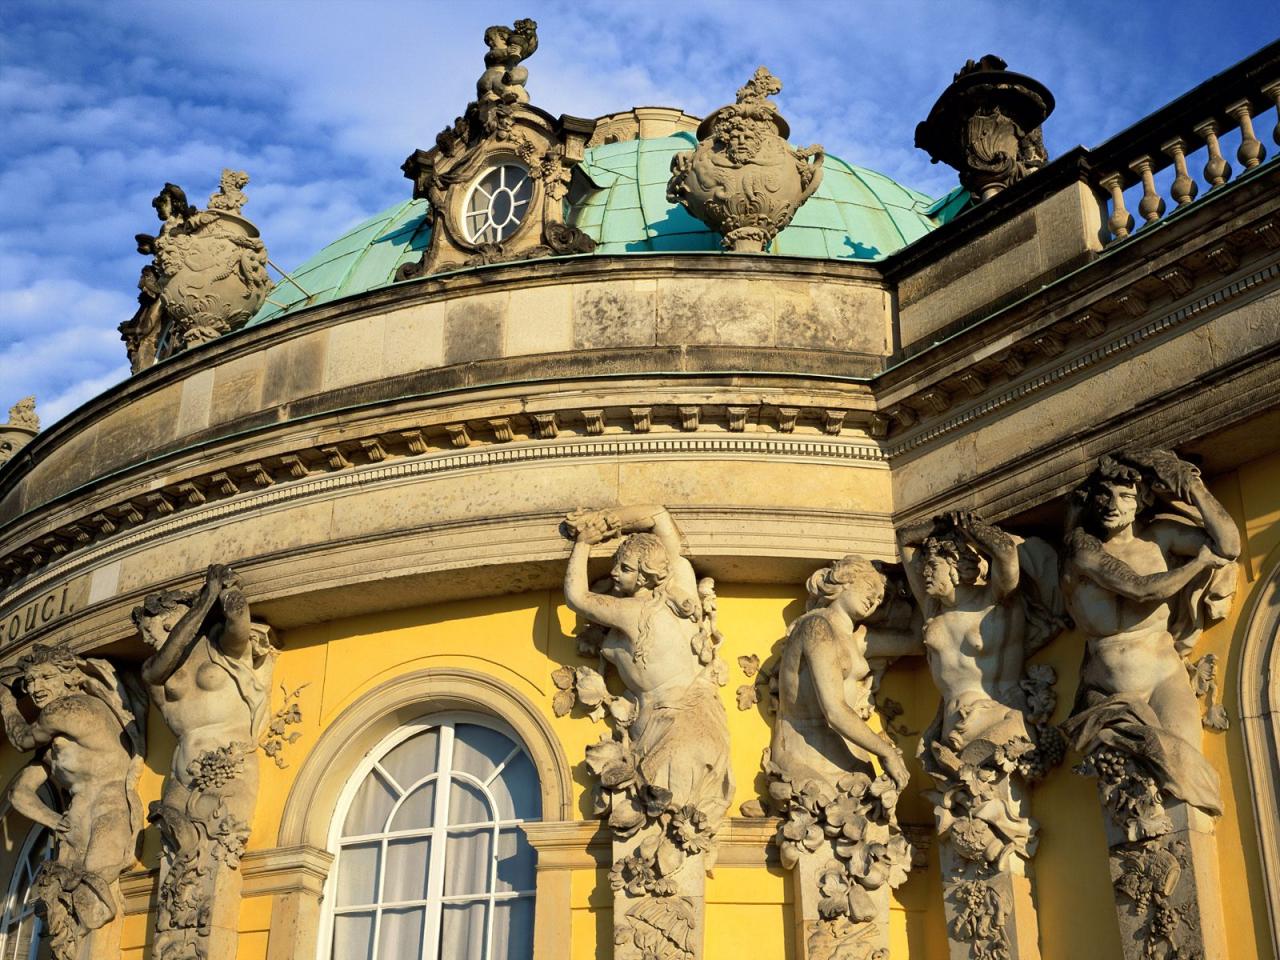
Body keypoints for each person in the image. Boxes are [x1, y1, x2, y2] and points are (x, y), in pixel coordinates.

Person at [1061, 449, 1239, 818]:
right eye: (1104, 495)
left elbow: (1229, 546)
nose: (1113, 505)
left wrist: (1192, 488)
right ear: (1092, 501)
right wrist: (1199, 564)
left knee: (1188, 783)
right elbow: (1142, 590)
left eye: (1125, 496)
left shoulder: (1161, 537)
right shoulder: (1083, 551)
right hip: (1109, 690)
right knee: (1135, 805)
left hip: (1165, 678)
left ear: (1141, 501)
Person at [562, 505, 732, 824]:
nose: (614, 573)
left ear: (646, 576)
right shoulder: (681, 581)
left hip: (672, 727)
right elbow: (658, 515)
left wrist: (585, 541)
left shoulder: (632, 612)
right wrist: (617, 519)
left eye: (624, 568)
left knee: (665, 824)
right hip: (702, 722)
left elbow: (577, 598)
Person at [0, 644, 144, 958]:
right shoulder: (53, 748)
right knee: (62, 906)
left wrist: (7, 702)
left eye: (46, 677)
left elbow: (22, 739)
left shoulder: (66, 710)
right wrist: (53, 820)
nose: (37, 689)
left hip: (110, 806)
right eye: (31, 682)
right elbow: (17, 794)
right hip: (77, 816)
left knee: (92, 898)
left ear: (68, 679)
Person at [771, 556, 911, 795]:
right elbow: (834, 710)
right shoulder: (816, 627)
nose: (874, 600)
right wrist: (886, 752)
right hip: (808, 752)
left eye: (880, 598)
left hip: (849, 753)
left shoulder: (857, 640)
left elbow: (917, 640)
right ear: (844, 579)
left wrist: (911, 576)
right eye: (869, 587)